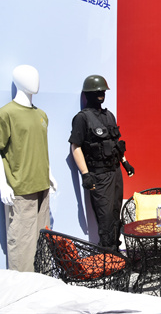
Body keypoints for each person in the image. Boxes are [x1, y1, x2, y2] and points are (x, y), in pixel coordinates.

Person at [0, 65, 57, 272]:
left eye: (36, 76)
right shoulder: (5, 114)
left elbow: (39, 147)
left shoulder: (41, 114)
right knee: (21, 245)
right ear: (17, 81)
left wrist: (50, 175)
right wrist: (3, 185)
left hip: (42, 187)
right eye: (29, 77)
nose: (35, 81)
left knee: (43, 243)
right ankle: (21, 287)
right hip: (20, 189)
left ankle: (42, 283)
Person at [69, 75, 134, 251]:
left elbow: (115, 144)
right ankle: (107, 254)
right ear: (88, 94)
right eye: (97, 92)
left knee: (115, 214)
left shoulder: (109, 115)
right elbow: (76, 146)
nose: (101, 95)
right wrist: (85, 174)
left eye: (103, 91)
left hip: (115, 171)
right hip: (99, 174)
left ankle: (115, 250)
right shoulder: (82, 118)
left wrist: (125, 163)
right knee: (105, 217)